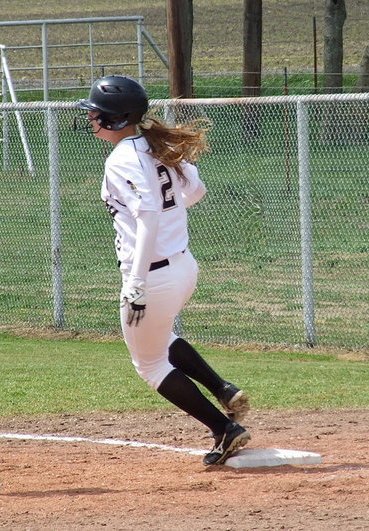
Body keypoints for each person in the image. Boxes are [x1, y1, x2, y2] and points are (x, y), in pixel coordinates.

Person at [75, 75, 251, 465]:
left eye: (96, 113)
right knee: (162, 339)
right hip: (183, 267)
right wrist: (168, 214)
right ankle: (222, 389)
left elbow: (149, 212)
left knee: (150, 365)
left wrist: (135, 282)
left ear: (116, 120)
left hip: (152, 277)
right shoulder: (153, 148)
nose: (90, 117)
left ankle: (225, 429)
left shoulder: (123, 157)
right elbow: (195, 191)